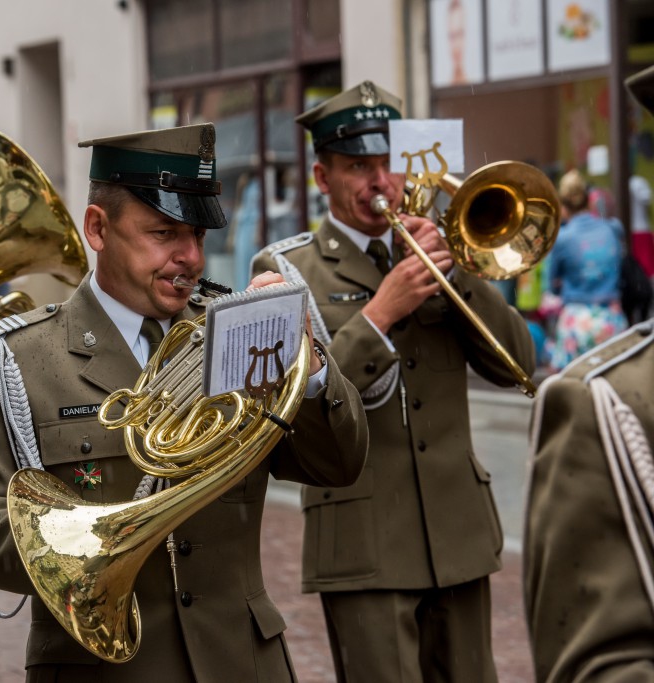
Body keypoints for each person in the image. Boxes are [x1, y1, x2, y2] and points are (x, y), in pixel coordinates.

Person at [0, 122, 369, 682]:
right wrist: (71, 549)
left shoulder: (233, 329)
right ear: (98, 228)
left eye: (198, 235)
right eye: (163, 233)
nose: (189, 257)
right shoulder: (21, 356)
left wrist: (310, 368)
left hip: (241, 662)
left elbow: (337, 464)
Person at [252, 80, 536, 683]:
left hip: (458, 532)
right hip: (362, 542)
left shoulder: (444, 256)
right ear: (322, 177)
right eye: (358, 166)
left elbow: (518, 365)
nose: (379, 182)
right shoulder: (284, 269)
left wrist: (460, 274)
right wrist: (379, 312)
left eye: (388, 165)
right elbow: (291, 410)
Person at [523, 61, 654, 683]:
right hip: (611, 319)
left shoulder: (569, 235)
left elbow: (548, 295)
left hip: (579, 323)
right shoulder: (607, 227)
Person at [546, 169, 629, 369]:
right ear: (588, 199)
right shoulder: (613, 227)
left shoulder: (563, 238)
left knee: (567, 388)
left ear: (563, 207)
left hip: (577, 323)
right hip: (612, 319)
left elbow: (553, 286)